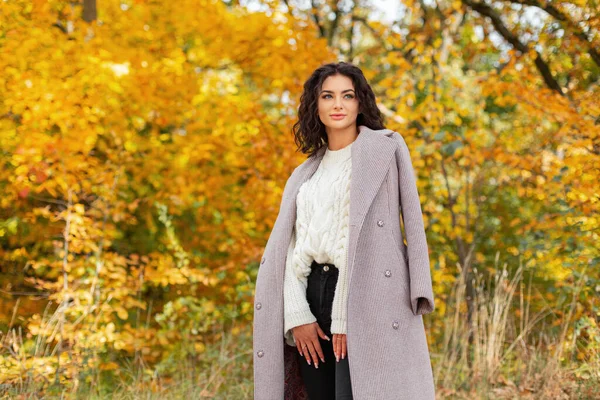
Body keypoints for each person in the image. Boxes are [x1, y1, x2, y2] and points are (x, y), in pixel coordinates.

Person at [253, 61, 436, 400]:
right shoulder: (305, 173)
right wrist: (296, 313)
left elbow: (411, 219)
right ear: (316, 106)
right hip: (312, 298)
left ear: (360, 103)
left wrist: (346, 314)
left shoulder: (387, 148)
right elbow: (291, 246)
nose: (338, 104)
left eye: (347, 95)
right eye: (328, 96)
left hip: (369, 297)